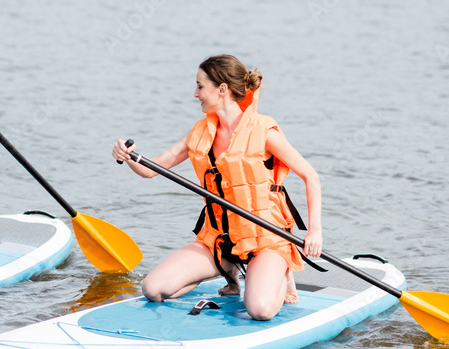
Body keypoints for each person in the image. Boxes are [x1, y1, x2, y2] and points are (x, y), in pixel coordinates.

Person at [111, 55, 323, 321]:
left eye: (200, 86)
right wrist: (127, 156)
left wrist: (315, 231)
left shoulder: (263, 131)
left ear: (221, 90)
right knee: (153, 289)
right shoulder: (200, 132)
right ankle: (227, 269)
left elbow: (310, 176)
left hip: (266, 240)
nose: (195, 93)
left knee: (259, 310)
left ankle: (280, 273)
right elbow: (152, 169)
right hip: (221, 240)